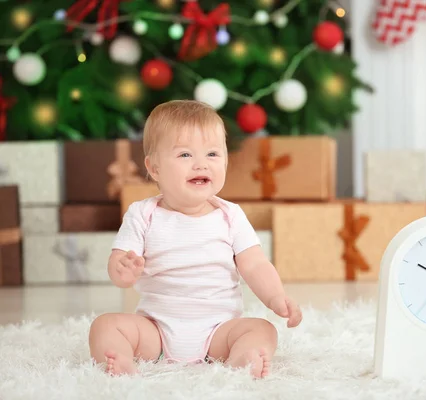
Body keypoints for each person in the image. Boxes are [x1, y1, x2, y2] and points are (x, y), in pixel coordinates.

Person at [88, 100, 303, 378]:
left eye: (213, 154)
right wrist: (124, 271)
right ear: (154, 168)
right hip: (156, 331)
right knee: (104, 325)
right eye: (185, 155)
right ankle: (121, 360)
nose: (201, 164)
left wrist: (276, 297)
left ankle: (242, 357)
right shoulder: (143, 214)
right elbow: (120, 263)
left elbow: (255, 265)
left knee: (263, 330)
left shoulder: (230, 216)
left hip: (219, 331)